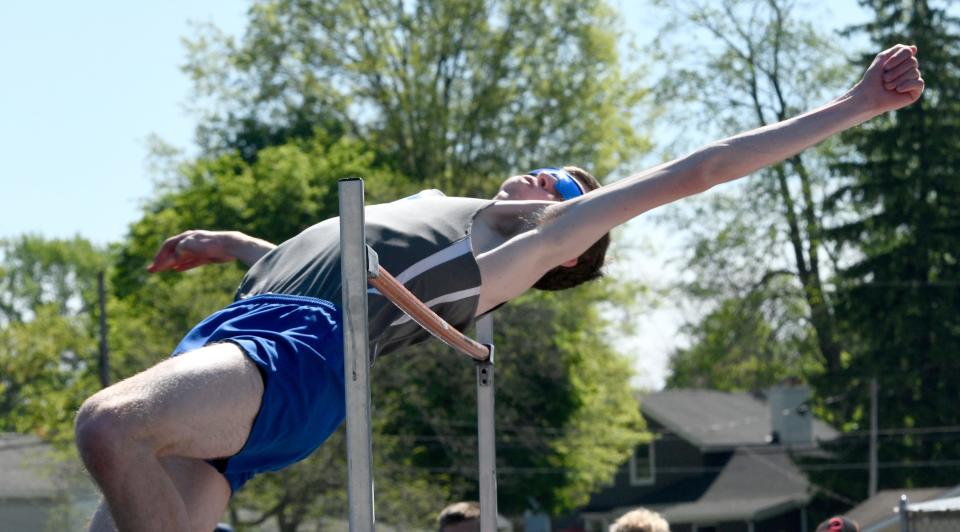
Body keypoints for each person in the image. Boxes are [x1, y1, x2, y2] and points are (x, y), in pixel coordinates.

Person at [74, 44, 924, 531]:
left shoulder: (510, 255)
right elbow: (345, 261)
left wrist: (854, 105)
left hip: (294, 355)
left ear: (566, 246)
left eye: (566, 188)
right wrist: (229, 244)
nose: (547, 176)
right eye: (556, 170)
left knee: (109, 425)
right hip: (252, 335)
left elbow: (697, 171)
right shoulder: (446, 214)